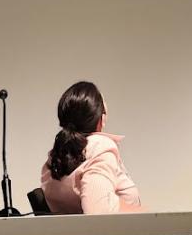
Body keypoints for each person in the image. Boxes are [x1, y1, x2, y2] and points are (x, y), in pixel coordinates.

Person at [41, 81, 142, 214]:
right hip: (119, 227)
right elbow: (98, 211)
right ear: (101, 119)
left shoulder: (58, 154)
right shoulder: (99, 148)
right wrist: (143, 213)